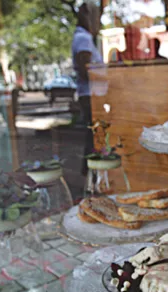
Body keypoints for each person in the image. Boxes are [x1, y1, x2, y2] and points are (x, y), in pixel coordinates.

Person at [72, 1, 103, 176]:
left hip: (91, 94)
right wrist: (106, 76)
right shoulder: (83, 38)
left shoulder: (84, 37)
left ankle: (91, 174)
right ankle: (92, 176)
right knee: (94, 136)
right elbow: (86, 68)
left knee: (93, 136)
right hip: (90, 94)